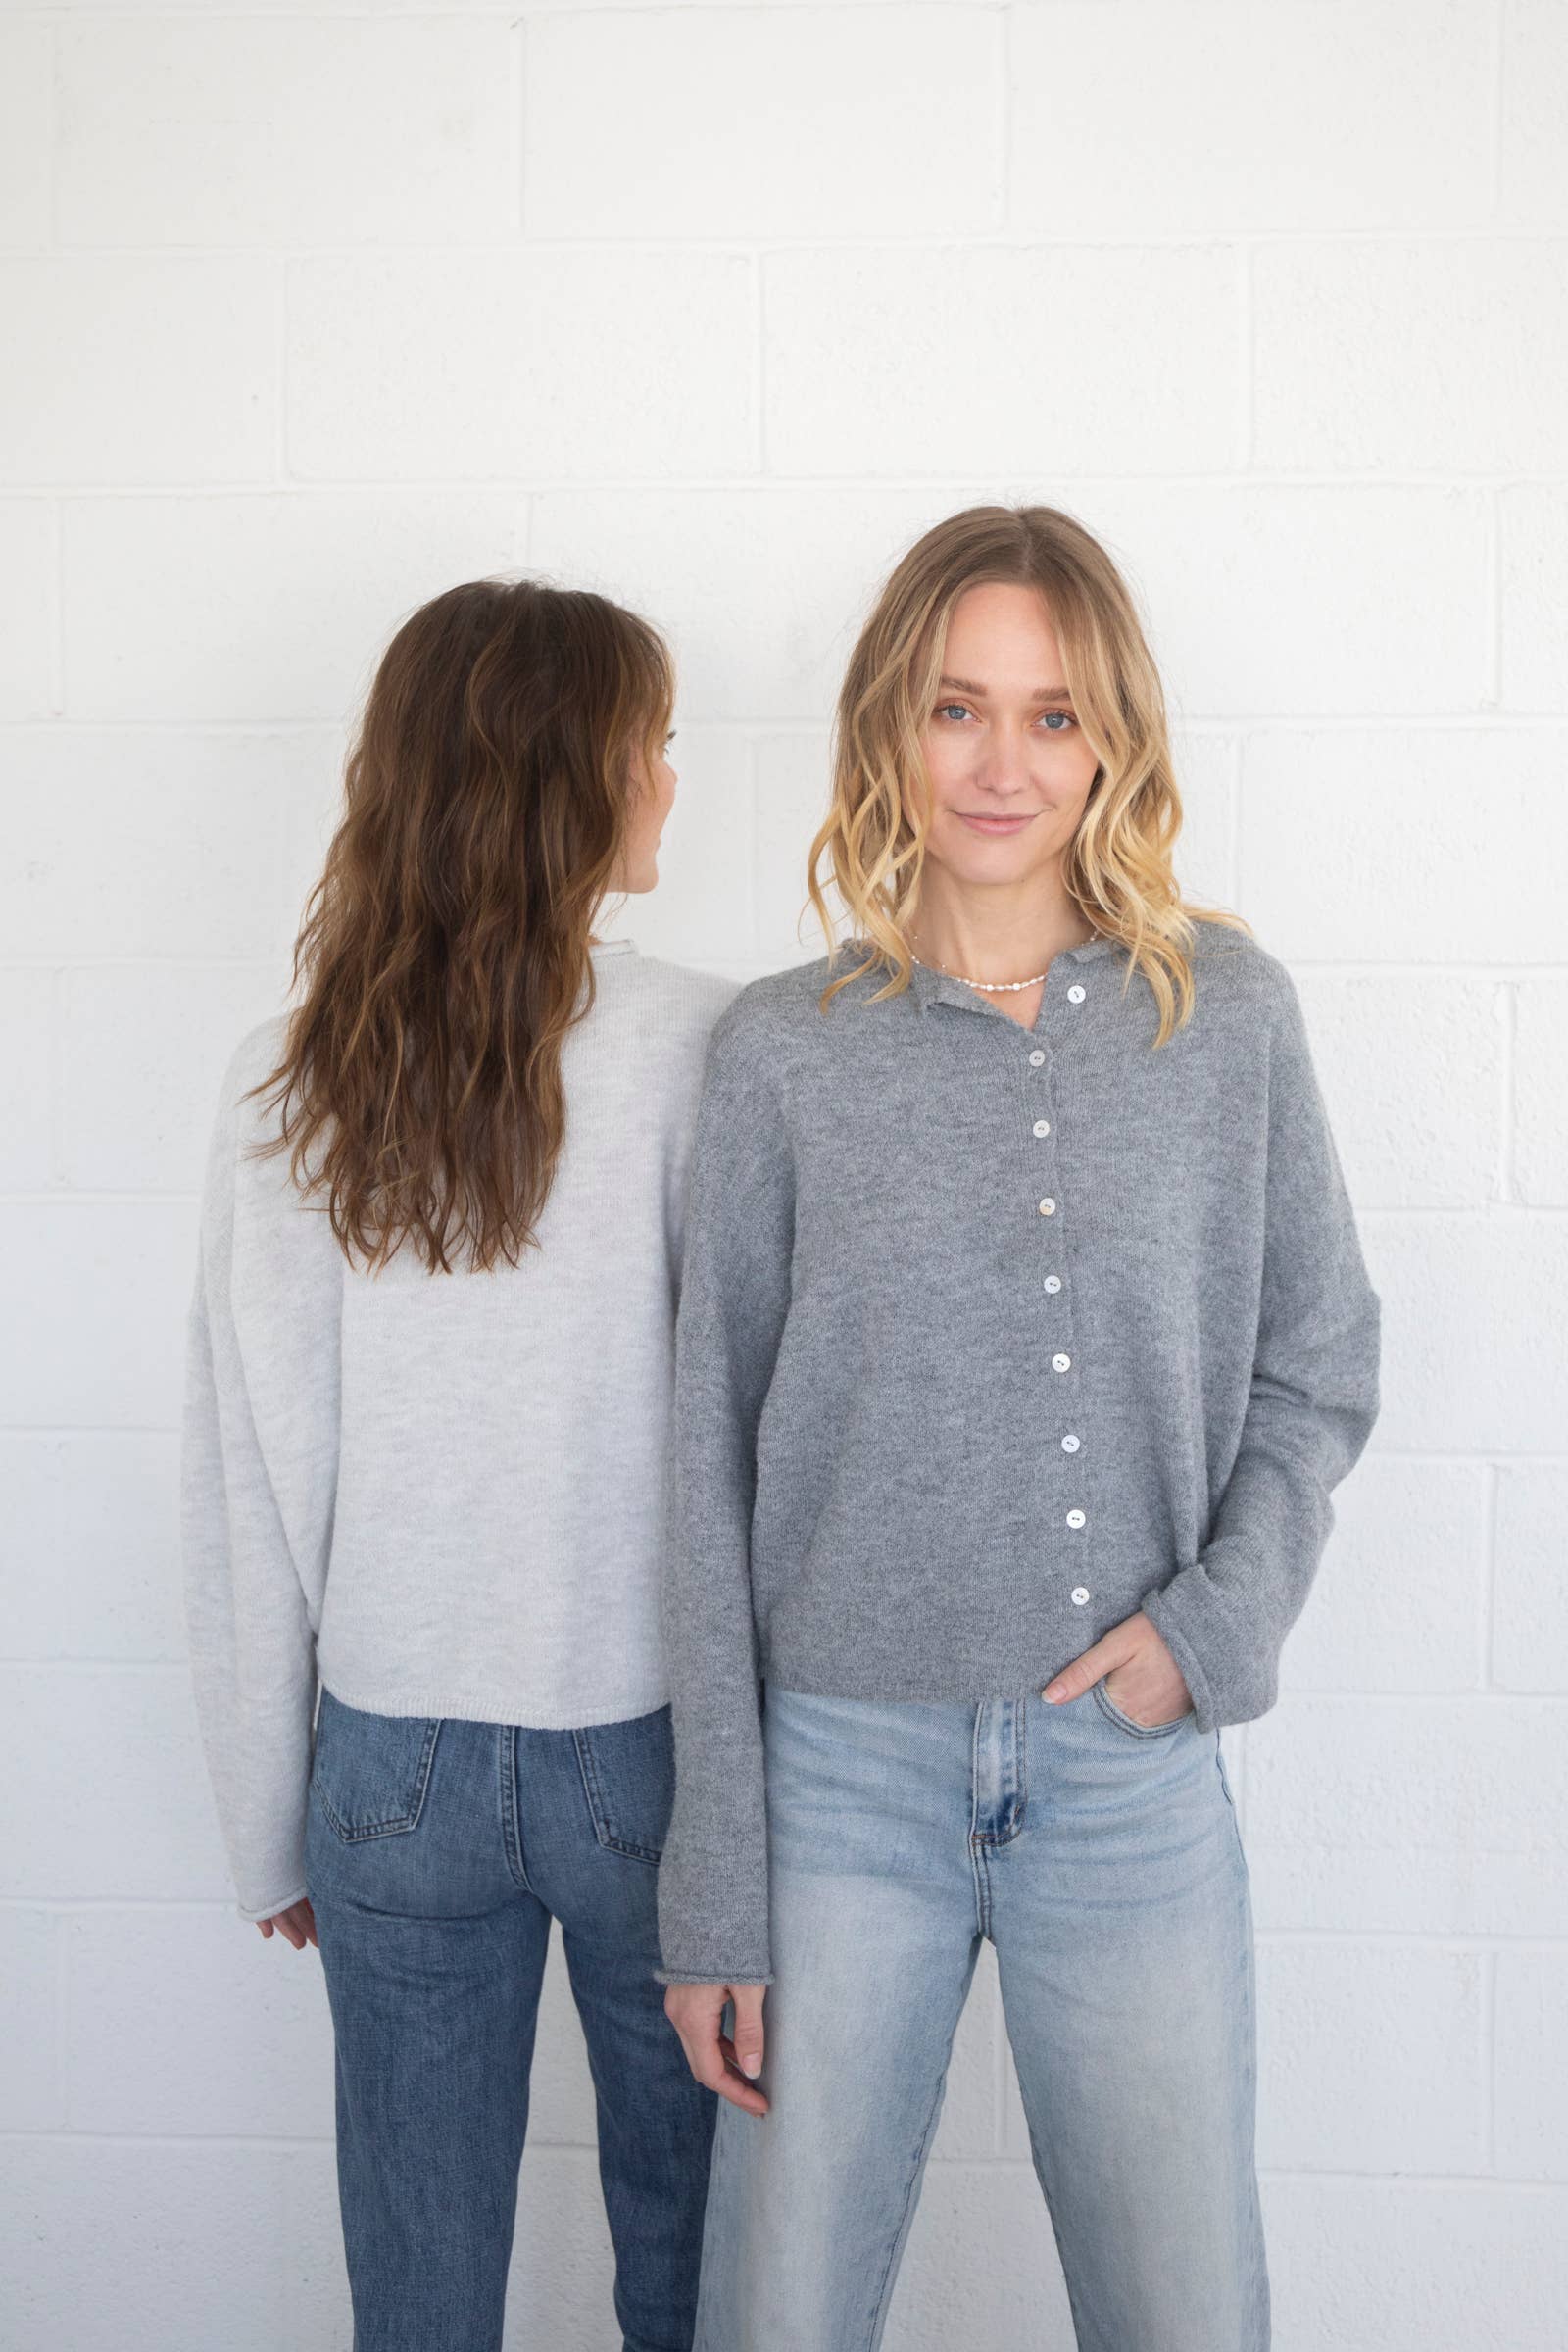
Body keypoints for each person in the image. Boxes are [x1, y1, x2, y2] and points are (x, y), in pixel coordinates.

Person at [655, 505, 1383, 2351]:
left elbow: (1320, 1363)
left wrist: (1209, 1633)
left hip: (1129, 1780)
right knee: (778, 2314)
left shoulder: (1225, 1019)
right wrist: (714, 1886)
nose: (1002, 764)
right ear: (889, 730)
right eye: (957, 708)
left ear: (1113, 739)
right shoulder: (785, 1052)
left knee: (1184, 2311)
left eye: (1053, 716)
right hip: (838, 1786)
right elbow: (701, 1475)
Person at [180, 577, 735, 2352]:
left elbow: (253, 1474)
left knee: (416, 2301)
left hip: (389, 1764)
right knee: (702, 2280)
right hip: (654, 1755)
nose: (670, 776)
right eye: (650, 741)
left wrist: (265, 1814)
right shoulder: (719, 1050)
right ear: (573, 774)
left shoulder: (291, 1079)